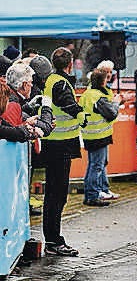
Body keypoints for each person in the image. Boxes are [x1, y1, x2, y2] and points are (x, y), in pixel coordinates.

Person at [42, 47, 87, 257]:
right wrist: (81, 115)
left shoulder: (52, 79)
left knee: (55, 194)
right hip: (59, 145)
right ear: (70, 64)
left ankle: (52, 239)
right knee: (57, 195)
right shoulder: (60, 82)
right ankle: (54, 241)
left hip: (55, 144)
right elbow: (67, 103)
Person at [80, 68, 119, 207]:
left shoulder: (87, 94)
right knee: (96, 166)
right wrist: (116, 102)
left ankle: (93, 193)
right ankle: (92, 195)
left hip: (90, 134)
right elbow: (111, 113)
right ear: (103, 81)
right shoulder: (98, 97)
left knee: (94, 164)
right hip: (99, 135)